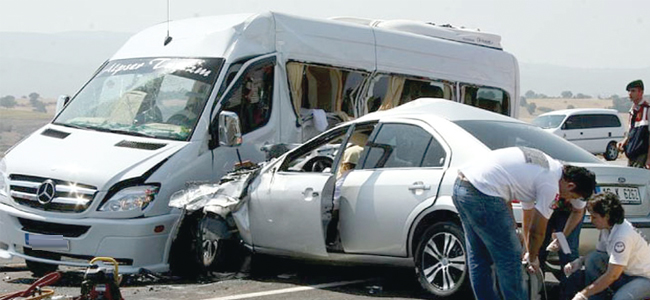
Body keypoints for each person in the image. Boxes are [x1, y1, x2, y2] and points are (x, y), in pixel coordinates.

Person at [452, 146, 596, 300]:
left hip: (462, 186)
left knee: (479, 257)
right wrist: (533, 257)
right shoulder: (551, 185)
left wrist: (520, 238)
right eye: (571, 195)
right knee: (511, 260)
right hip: (483, 193)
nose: (566, 199)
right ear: (571, 185)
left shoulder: (547, 167)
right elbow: (537, 231)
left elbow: (518, 206)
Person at [563, 192, 650, 300]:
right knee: (593, 259)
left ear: (607, 216)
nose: (591, 220)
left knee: (620, 298)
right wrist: (580, 261)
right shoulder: (607, 228)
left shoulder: (622, 236)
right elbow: (599, 255)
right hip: (625, 273)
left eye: (594, 217)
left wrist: (584, 294)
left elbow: (613, 275)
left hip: (644, 278)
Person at [617, 80, 649, 168]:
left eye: (633, 91)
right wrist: (624, 142)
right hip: (632, 154)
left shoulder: (647, 110)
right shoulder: (632, 111)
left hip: (642, 155)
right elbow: (631, 132)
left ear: (641, 92)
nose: (630, 93)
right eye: (629, 91)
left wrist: (649, 159)